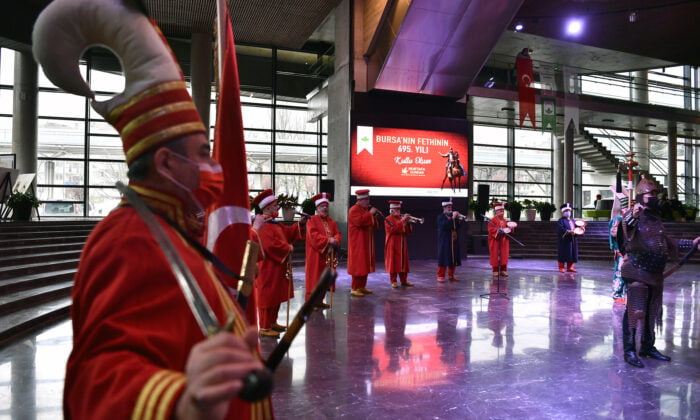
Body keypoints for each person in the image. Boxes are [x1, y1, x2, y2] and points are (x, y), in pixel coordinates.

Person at [34, 0, 273, 417]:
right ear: (165, 164)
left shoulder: (170, 230)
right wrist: (180, 401)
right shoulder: (128, 237)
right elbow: (98, 374)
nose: (215, 168)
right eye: (202, 154)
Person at [617, 176, 700, 368]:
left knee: (652, 311)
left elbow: (668, 242)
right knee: (634, 312)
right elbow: (626, 226)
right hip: (637, 269)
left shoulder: (655, 218)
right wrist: (634, 215)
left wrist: (692, 243)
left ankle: (648, 346)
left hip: (654, 273)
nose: (654, 196)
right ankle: (629, 350)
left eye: (655, 193)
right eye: (651, 193)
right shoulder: (634, 213)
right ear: (640, 196)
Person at [252, 189, 305, 338]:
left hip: (277, 266)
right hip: (268, 267)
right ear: (268, 207)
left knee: (275, 296)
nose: (278, 207)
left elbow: (287, 233)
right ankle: (264, 327)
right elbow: (270, 246)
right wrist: (288, 248)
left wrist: (298, 225)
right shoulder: (264, 225)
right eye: (275, 205)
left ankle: (272, 322)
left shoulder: (275, 224)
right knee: (267, 297)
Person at [304, 192, 342, 308]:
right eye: (322, 206)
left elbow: (338, 234)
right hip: (316, 255)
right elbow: (313, 236)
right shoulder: (311, 220)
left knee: (325, 279)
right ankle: (311, 302)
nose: (325, 208)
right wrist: (328, 241)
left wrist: (335, 240)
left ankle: (319, 300)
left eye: (326, 206)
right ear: (317, 208)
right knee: (314, 278)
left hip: (328, 255)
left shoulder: (332, 222)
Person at [347, 189, 381, 296]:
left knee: (365, 264)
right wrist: (370, 214)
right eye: (366, 199)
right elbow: (359, 222)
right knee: (358, 264)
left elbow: (373, 225)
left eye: (368, 199)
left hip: (366, 242)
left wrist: (374, 217)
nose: (368, 201)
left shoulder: (365, 210)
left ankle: (362, 286)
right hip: (358, 243)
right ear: (360, 200)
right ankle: (354, 288)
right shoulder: (354, 210)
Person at [384, 200, 414, 288]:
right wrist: (402, 221)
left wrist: (408, 223)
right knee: (393, 262)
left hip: (402, 243)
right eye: (396, 210)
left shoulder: (401, 219)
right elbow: (393, 229)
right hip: (393, 243)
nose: (399, 212)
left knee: (403, 262)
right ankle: (393, 281)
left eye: (399, 210)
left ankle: (404, 280)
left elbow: (408, 232)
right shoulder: (388, 219)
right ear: (392, 210)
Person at [609, 187, 630, 304]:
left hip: (630, 251)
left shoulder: (630, 219)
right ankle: (617, 294)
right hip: (621, 251)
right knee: (620, 273)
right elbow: (614, 233)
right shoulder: (617, 219)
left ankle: (626, 294)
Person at [436, 200, 463, 282]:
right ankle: (440, 276)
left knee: (453, 258)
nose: (450, 208)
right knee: (443, 257)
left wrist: (458, 220)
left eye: (451, 207)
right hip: (445, 240)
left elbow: (457, 227)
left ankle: (451, 275)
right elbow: (445, 226)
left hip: (453, 239)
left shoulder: (452, 216)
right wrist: (453, 218)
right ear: (444, 208)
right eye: (448, 207)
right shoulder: (440, 217)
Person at [487, 202, 511, 276]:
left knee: (504, 255)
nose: (502, 212)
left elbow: (507, 229)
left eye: (503, 211)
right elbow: (490, 229)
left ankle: (503, 270)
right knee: (495, 255)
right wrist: (498, 231)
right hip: (496, 241)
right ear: (496, 211)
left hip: (503, 241)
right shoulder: (493, 220)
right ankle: (495, 270)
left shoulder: (504, 220)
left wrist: (510, 228)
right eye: (500, 211)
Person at [557, 203, 579, 273]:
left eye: (569, 210)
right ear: (563, 212)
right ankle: (561, 267)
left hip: (572, 239)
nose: (568, 212)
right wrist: (567, 231)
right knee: (563, 253)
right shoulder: (561, 221)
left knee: (572, 253)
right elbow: (560, 229)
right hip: (564, 240)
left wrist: (580, 230)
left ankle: (570, 267)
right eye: (566, 210)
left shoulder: (573, 220)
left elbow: (576, 227)